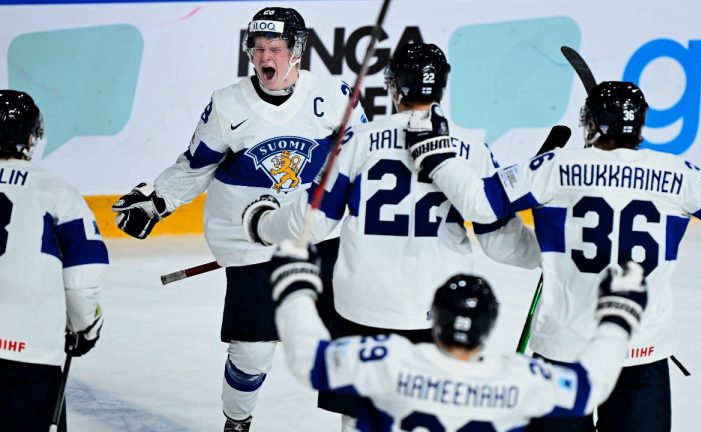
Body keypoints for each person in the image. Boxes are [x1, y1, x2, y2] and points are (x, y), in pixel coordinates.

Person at [405, 81, 701, 431]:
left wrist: (437, 156)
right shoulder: (680, 173)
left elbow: (480, 206)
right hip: (640, 353)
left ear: (590, 124)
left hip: (563, 351)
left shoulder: (555, 165)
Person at [242, 42, 540, 431]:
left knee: (359, 416)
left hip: (362, 305)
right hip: (439, 311)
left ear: (393, 87)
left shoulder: (357, 141)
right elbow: (500, 241)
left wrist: (262, 224)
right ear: (441, 88)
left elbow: (312, 224)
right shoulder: (472, 149)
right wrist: (549, 254)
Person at [110, 7, 367, 431]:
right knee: (253, 353)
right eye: (259, 47)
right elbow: (197, 166)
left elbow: (362, 160)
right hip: (251, 244)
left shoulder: (335, 95)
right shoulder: (229, 104)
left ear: (296, 52)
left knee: (352, 335)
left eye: (276, 48)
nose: (266, 57)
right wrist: (157, 200)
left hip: (321, 236)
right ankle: (237, 421)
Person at [267, 240, 648, 431]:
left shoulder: (388, 359)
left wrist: (294, 288)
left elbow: (310, 361)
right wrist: (619, 316)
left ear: (435, 320)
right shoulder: (517, 379)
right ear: (489, 327)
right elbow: (588, 387)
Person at [0, 90, 108, 431]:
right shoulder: (57, 193)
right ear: (30, 138)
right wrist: (85, 327)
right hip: (28, 353)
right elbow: (83, 275)